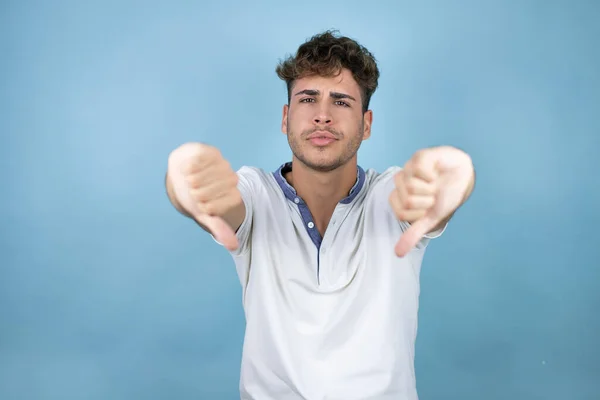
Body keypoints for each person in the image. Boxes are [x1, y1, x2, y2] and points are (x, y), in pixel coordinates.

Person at [165, 30, 475, 400]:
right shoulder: (256, 193)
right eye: (308, 99)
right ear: (285, 117)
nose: (323, 116)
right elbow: (222, 202)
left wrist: (460, 178)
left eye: (341, 102)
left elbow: (429, 200)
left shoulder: (392, 196)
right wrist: (184, 185)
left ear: (367, 123)